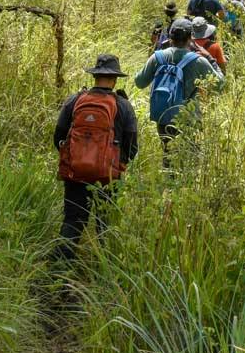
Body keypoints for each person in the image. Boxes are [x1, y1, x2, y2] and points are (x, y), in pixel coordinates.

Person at [53, 54, 138, 259]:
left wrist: (76, 159)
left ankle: (58, 269)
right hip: (108, 176)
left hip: (75, 172)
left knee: (73, 220)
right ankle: (102, 270)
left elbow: (58, 137)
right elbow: (132, 146)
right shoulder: (124, 106)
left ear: (95, 76)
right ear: (115, 79)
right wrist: (119, 163)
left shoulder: (75, 100)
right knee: (104, 224)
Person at [134, 20, 222, 161]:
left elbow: (139, 82)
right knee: (190, 161)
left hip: (164, 117)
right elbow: (221, 84)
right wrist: (211, 59)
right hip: (190, 118)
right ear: (190, 38)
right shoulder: (199, 61)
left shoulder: (158, 57)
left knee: (168, 157)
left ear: (170, 37)